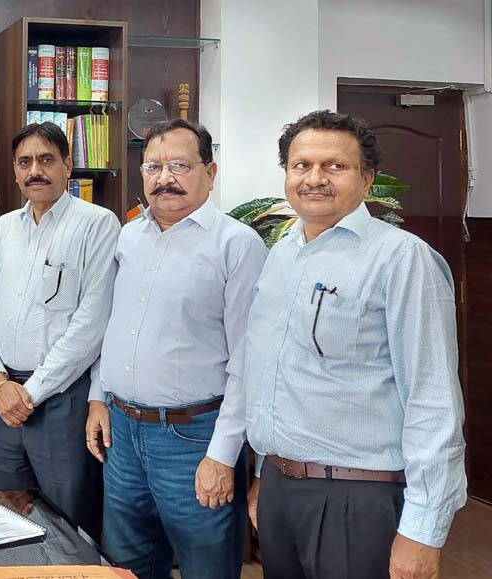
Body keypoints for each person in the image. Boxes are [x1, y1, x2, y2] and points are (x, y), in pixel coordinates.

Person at [245, 110, 466, 579]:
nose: (315, 179)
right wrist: (266, 475)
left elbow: (433, 401)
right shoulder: (282, 253)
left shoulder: (403, 259)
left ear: (367, 180)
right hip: (283, 489)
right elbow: (275, 375)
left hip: (358, 497)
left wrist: (424, 530)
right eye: (301, 165)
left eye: (335, 167)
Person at [86, 119, 266, 579]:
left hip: (193, 439)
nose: (164, 177)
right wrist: (97, 399)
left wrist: (223, 455)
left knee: (206, 562)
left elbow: (251, 361)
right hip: (123, 432)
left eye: (180, 165)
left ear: (211, 172)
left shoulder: (237, 245)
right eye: (153, 167)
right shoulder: (128, 237)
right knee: (126, 563)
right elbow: (108, 328)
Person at [0, 122, 118, 530]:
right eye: (25, 162)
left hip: (60, 401)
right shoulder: (2, 229)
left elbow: (91, 324)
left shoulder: (97, 224)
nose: (35, 170)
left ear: (68, 165)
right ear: (15, 172)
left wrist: (29, 393)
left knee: (67, 522)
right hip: (1, 400)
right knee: (4, 517)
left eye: (46, 159)